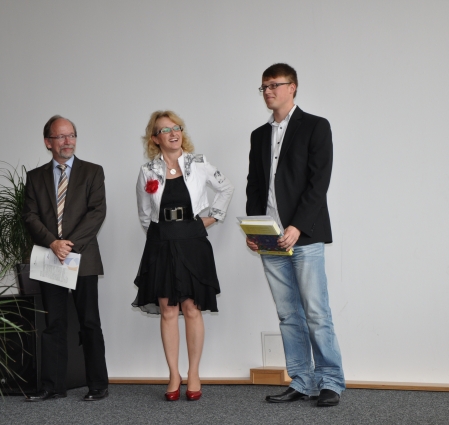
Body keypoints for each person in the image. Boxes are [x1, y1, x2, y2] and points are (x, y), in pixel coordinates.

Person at [246, 64, 345, 407]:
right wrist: (255, 228)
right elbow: (254, 185)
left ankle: (330, 381)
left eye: (274, 85)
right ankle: (302, 381)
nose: (268, 91)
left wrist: (298, 225)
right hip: (270, 238)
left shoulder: (316, 126)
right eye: (264, 87)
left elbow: (319, 183)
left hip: (304, 235)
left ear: (293, 87)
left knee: (316, 313)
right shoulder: (259, 135)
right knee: (288, 315)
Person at [134, 110, 234, 401]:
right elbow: (144, 214)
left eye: (176, 127)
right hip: (161, 243)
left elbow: (226, 187)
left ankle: (194, 373)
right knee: (168, 310)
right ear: (155, 138)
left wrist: (211, 218)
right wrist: (159, 234)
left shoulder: (198, 163)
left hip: (192, 241)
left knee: (191, 308)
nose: (173, 133)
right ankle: (173, 374)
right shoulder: (147, 170)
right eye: (165, 130)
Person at [22, 115, 109, 402]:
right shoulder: (35, 177)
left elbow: (97, 212)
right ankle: (52, 386)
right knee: (54, 324)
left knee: (89, 322)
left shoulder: (92, 172)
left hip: (82, 256)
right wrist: (53, 243)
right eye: (60, 136)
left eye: (71, 135)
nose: (67, 141)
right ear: (48, 142)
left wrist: (67, 246)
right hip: (50, 258)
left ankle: (97, 385)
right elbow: (30, 216)